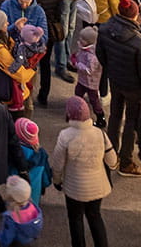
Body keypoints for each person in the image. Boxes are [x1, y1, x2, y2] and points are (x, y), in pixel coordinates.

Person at [96, 0, 141, 174]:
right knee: (131, 121)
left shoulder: (105, 29)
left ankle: (111, 155)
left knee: (114, 116)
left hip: (115, 80)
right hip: (134, 87)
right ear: (135, 15)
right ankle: (126, 162)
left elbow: (100, 55)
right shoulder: (138, 40)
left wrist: (111, 70)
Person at [50, 98, 115, 247]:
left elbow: (58, 164)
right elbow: (112, 161)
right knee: (95, 216)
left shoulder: (65, 135)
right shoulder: (100, 133)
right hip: (97, 186)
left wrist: (57, 181)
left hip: (74, 188)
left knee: (75, 219)